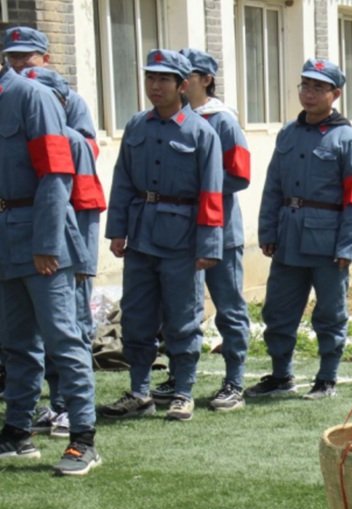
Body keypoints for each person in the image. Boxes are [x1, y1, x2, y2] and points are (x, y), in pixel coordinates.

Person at [99, 49, 225, 423]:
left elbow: (212, 194)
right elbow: (122, 181)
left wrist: (209, 245)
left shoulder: (201, 131)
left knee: (182, 319)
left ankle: (183, 391)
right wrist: (116, 230)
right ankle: (140, 392)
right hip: (140, 235)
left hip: (182, 239)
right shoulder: (137, 126)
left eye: (163, 80)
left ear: (182, 85)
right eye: (150, 78)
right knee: (137, 318)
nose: (155, 86)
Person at [0, 56, 101, 475]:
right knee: (16, 343)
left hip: (42, 240)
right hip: (5, 239)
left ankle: (83, 439)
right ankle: (17, 432)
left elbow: (57, 172)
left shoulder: (32, 95)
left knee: (63, 338)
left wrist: (46, 243)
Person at [247, 58, 352, 401]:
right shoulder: (288, 133)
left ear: (335, 94)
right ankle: (281, 374)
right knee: (278, 312)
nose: (309, 93)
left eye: (318, 87)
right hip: (288, 238)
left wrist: (348, 246)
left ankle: (327, 377)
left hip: (328, 243)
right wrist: (267, 231)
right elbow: (273, 186)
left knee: (330, 313)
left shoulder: (347, 140)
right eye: (305, 86)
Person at [147, 48, 250, 412]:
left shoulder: (222, 121)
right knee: (179, 308)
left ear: (203, 80)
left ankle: (235, 380)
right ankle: (179, 377)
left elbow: (239, 175)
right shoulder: (167, 121)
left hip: (219, 229)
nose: (180, 81)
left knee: (228, 307)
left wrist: (196, 188)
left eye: (188, 75)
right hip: (177, 233)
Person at [21, 67, 106, 439]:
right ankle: (50, 409)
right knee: (31, 338)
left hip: (62, 254)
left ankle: (69, 412)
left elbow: (86, 206)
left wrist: (84, 265)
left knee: (67, 334)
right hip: (29, 250)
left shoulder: (70, 141)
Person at [2, 26, 98, 150]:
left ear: (46, 59)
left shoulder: (70, 100)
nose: (18, 63)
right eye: (13, 57)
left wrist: (52, 128)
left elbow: (88, 149)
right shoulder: (4, 96)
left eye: (25, 56)